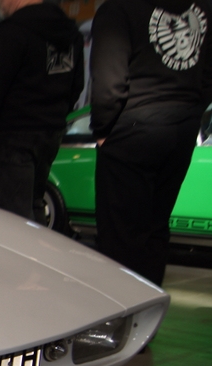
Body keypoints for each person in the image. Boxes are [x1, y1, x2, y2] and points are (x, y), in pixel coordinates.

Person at [90, 0, 212, 286]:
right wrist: (191, 112)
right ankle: (149, 307)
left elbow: (108, 80)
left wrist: (103, 130)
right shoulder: (205, 7)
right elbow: (208, 75)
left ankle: (122, 309)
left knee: (119, 238)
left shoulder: (118, 9)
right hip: (181, 130)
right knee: (156, 230)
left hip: (131, 130)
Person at [0, 0, 84, 224]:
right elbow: (77, 86)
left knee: (14, 220)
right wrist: (54, 117)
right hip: (50, 135)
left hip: (13, 138)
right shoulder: (71, 34)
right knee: (35, 207)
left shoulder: (11, 32)